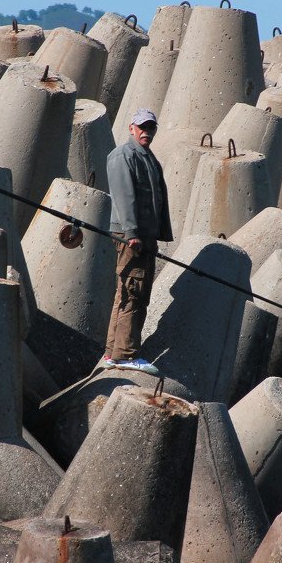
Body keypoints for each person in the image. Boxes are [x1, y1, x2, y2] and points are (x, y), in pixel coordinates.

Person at [101, 108, 172, 374]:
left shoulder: (146, 157)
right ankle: (126, 355)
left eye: (151, 127)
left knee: (126, 292)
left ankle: (112, 353)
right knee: (134, 292)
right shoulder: (123, 155)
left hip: (143, 236)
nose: (146, 131)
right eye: (142, 126)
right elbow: (124, 196)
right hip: (134, 237)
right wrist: (132, 234)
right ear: (131, 128)